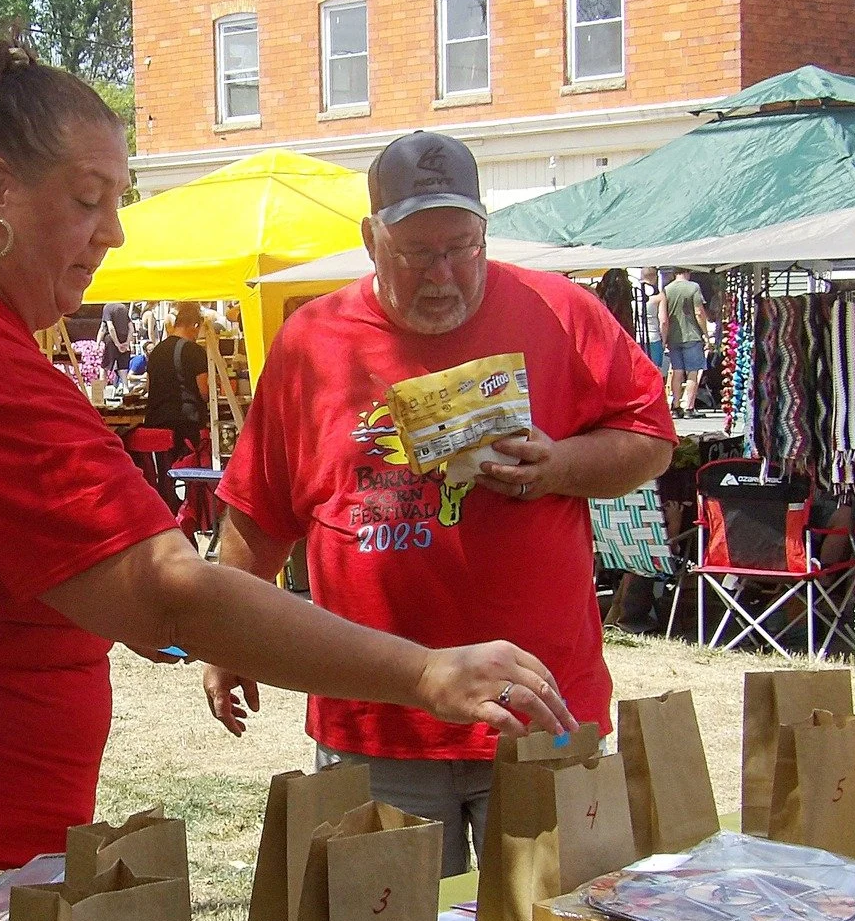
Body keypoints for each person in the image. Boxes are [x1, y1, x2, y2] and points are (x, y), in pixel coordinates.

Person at [0, 41, 573, 879]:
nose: (113, 233)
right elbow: (166, 594)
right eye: (89, 201)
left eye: (117, 201)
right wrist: (424, 670)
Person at [200, 130, 675, 877]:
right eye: (417, 254)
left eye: (462, 247)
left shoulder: (562, 312)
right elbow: (260, 511)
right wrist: (227, 632)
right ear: (370, 240)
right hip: (374, 723)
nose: (443, 275)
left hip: (540, 713)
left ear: (485, 231)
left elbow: (651, 436)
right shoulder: (311, 341)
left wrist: (559, 464)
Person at [141, 303, 211, 484]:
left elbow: (149, 386)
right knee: (190, 473)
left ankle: (168, 505)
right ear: (195, 326)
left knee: (166, 475)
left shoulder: (156, 351)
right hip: (187, 422)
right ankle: (190, 507)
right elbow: (205, 392)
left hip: (157, 420)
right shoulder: (194, 351)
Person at [657, 268, 710, 414]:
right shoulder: (693, 287)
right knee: (693, 371)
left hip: (674, 337)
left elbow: (664, 317)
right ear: (688, 272)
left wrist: (665, 338)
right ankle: (689, 406)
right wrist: (705, 333)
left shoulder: (667, 289)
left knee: (677, 371)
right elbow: (699, 312)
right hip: (692, 335)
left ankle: (675, 405)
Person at [101, 301, 133, 384]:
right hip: (124, 339)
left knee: (105, 365)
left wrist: (117, 343)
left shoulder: (107, 307)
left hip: (111, 340)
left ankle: (101, 390)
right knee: (123, 367)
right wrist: (127, 342)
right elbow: (131, 328)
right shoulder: (123, 307)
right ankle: (125, 388)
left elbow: (110, 327)